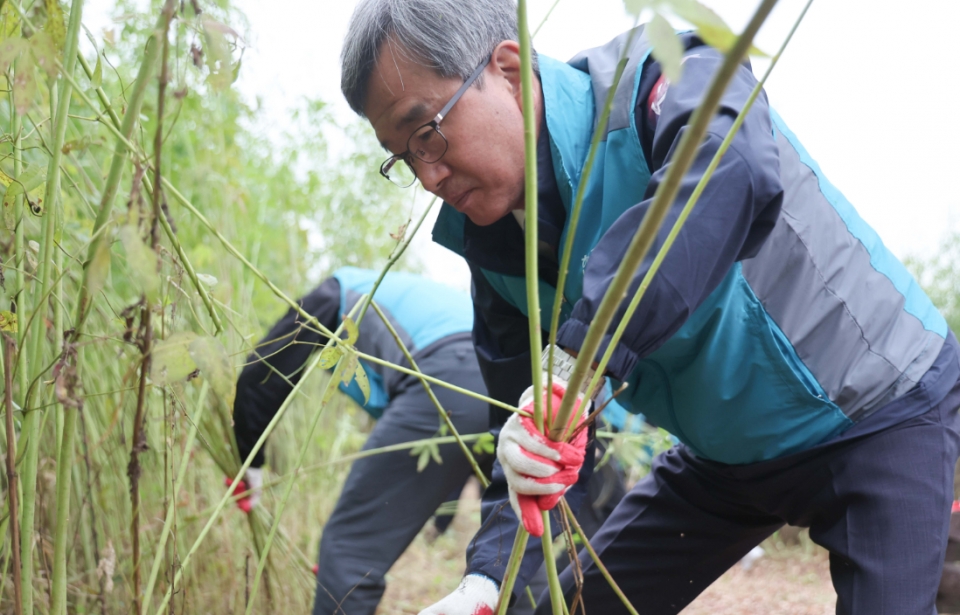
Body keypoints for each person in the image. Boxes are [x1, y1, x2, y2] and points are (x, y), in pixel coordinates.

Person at [338, 1, 960, 614]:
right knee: (585, 606)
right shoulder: (495, 246)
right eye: (403, 156)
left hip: (882, 411)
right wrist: (485, 581)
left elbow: (729, 175)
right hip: (725, 458)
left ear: (505, 67)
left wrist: (576, 361)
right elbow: (533, 440)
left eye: (427, 132)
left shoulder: (666, 79)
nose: (429, 176)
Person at [231, 266, 490, 615]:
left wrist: (250, 463)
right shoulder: (410, 300)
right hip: (505, 385)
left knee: (350, 549)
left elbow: (260, 374)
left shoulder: (336, 294)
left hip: (446, 373)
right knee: (519, 538)